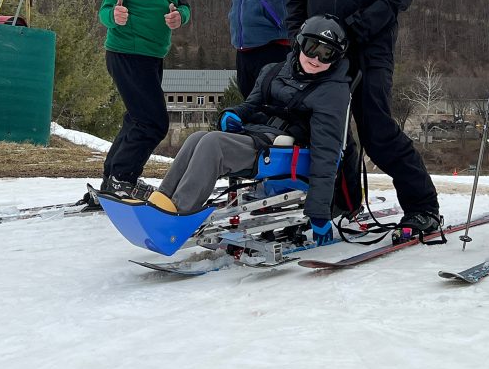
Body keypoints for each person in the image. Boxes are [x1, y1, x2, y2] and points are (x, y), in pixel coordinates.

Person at [286, 0, 441, 239]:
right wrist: (298, 39)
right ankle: (342, 203)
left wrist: (351, 30)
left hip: (368, 49)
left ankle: (422, 207)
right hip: (317, 53)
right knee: (321, 129)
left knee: (376, 132)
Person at [145, 15, 352, 246]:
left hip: (286, 153)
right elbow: (250, 106)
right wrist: (233, 114)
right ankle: (161, 201)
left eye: (326, 54)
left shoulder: (332, 93)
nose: (315, 58)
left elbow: (326, 153)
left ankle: (181, 214)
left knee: (213, 144)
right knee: (197, 138)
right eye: (311, 48)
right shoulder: (275, 70)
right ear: (300, 43)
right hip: (259, 137)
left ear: (336, 58)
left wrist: (320, 212)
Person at [95, 0, 191, 200]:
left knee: (137, 118)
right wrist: (115, 16)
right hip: (126, 52)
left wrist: (179, 18)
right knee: (153, 122)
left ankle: (112, 179)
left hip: (152, 54)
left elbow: (184, 6)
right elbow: (105, 10)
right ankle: (123, 179)